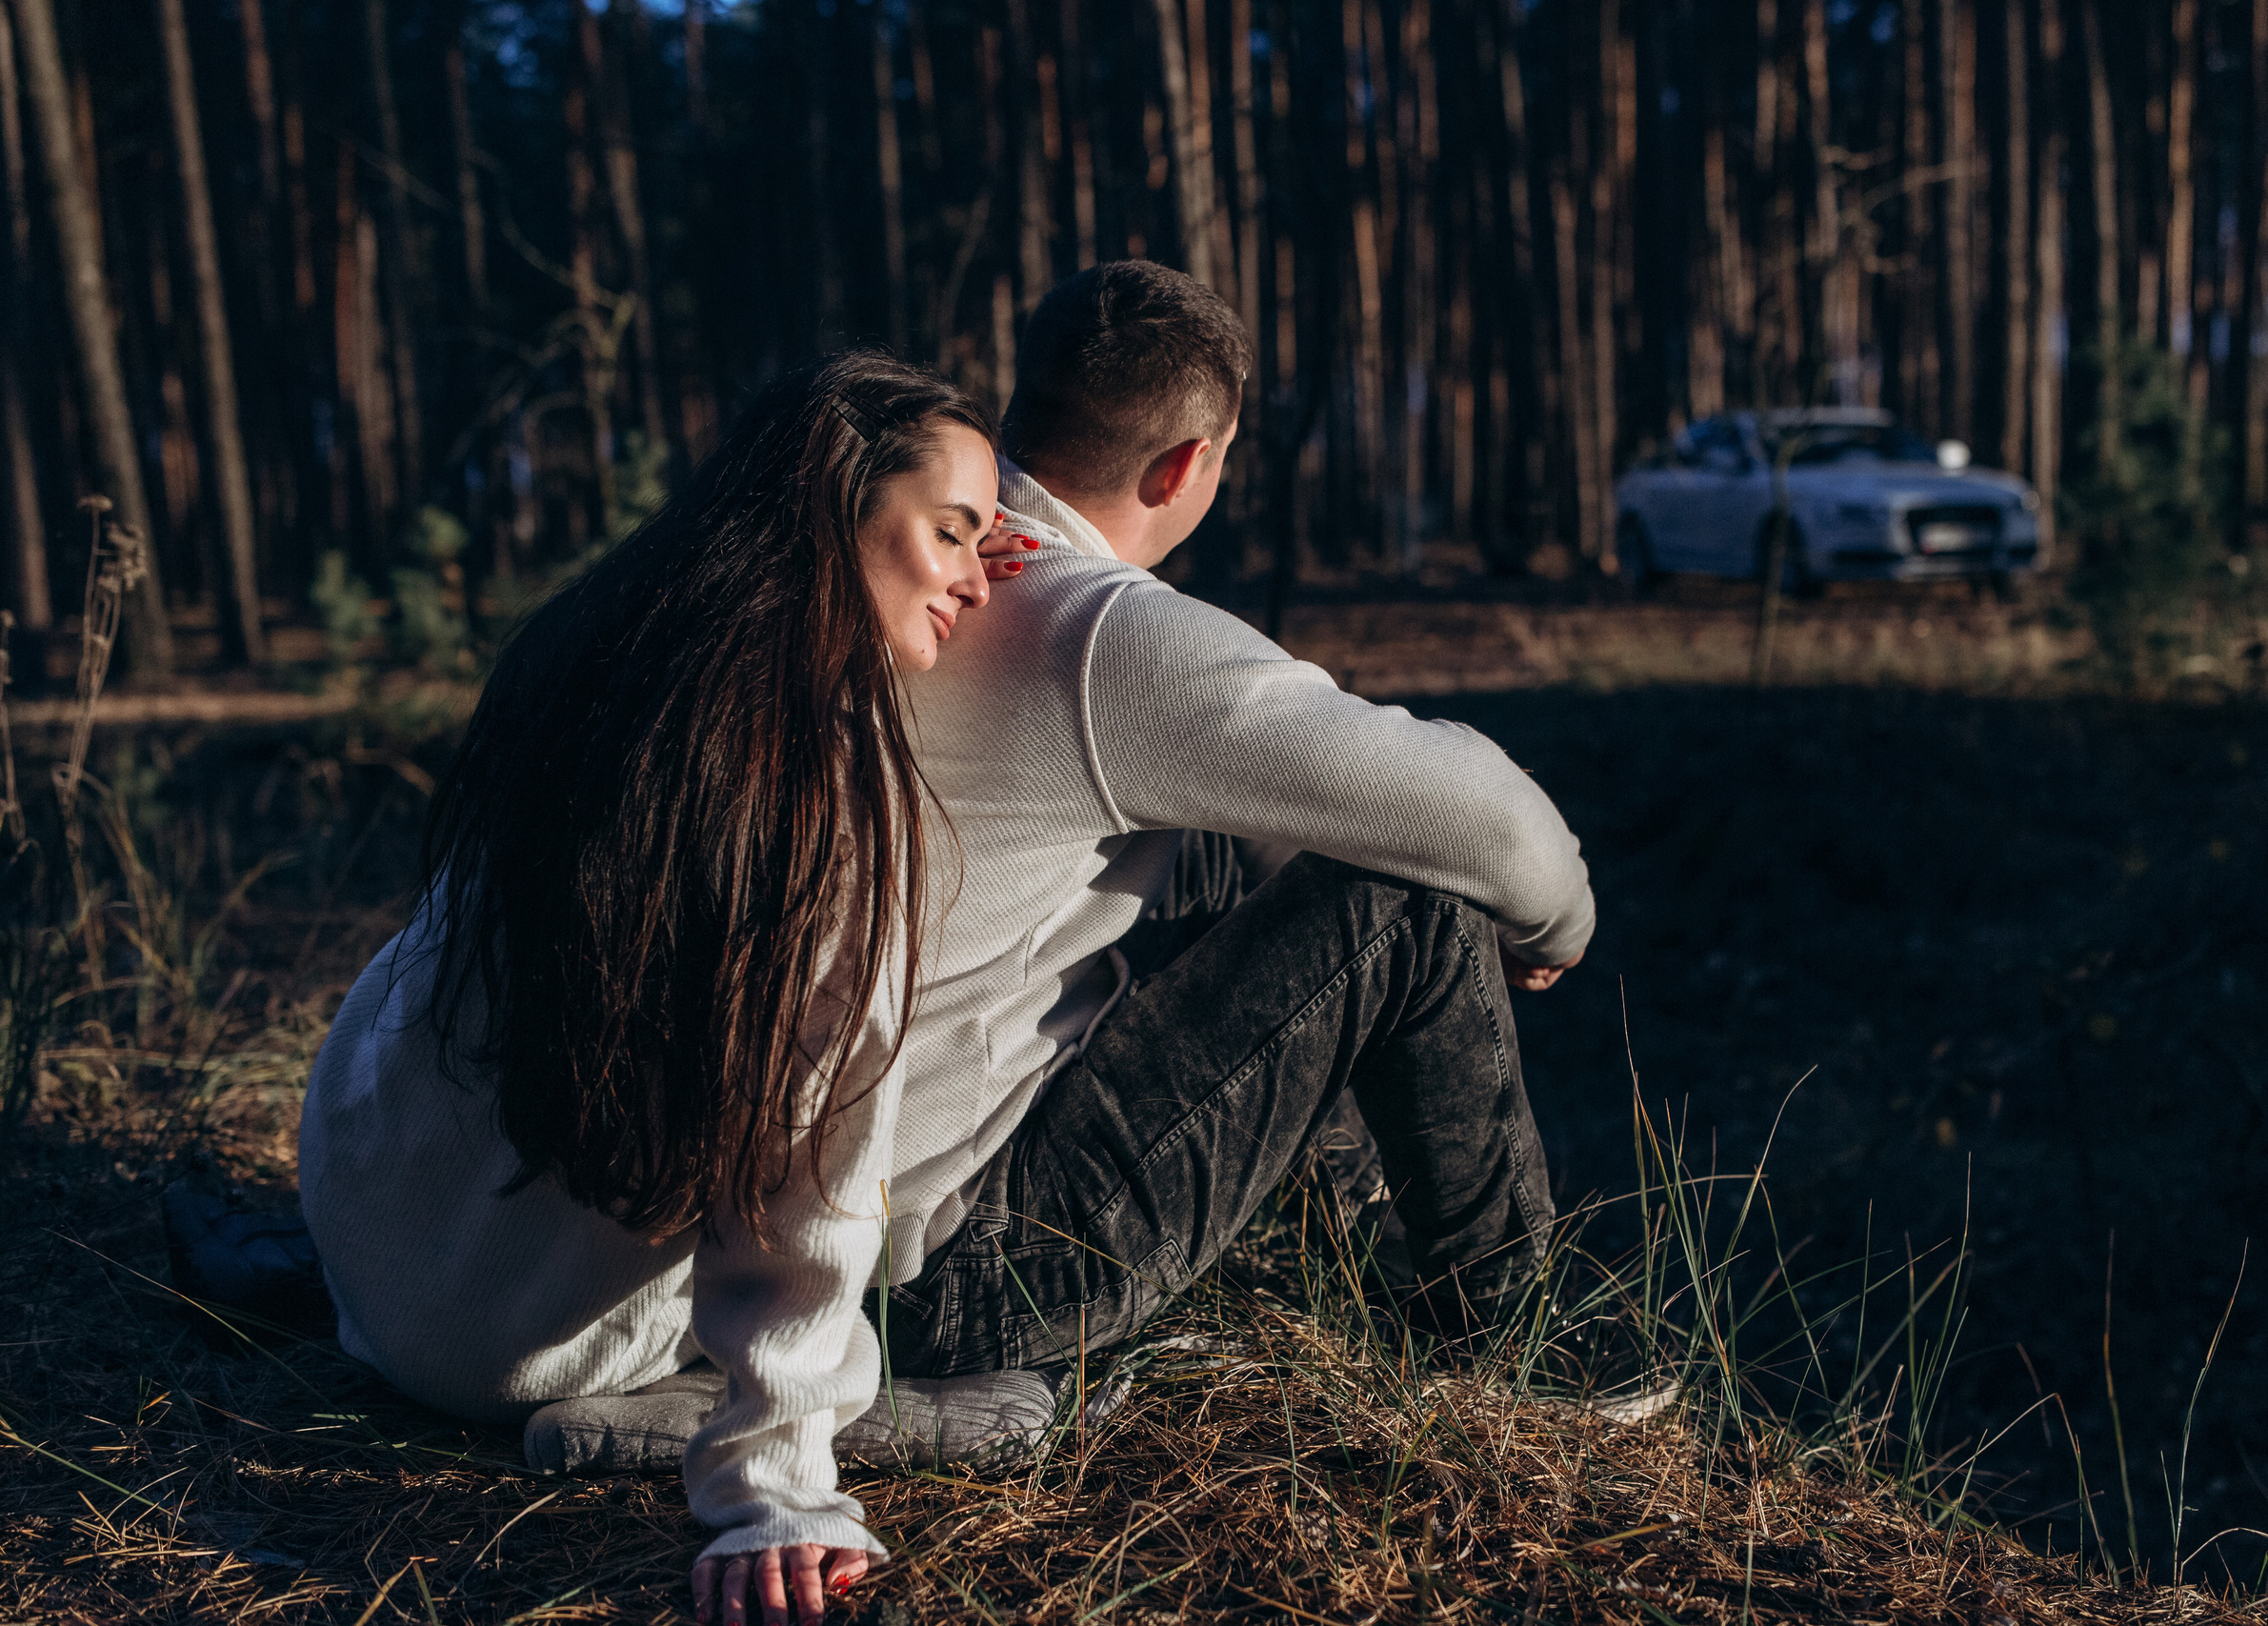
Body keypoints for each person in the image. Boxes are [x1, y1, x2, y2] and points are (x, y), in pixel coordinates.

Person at [295, 352, 1008, 1624]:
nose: (975, 578)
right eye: (953, 534)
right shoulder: (828, 793)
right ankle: (709, 1412)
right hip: (510, 1349)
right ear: (831, 502)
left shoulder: (599, 649)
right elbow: (818, 1172)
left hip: (364, 1227)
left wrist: (957, 537)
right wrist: (774, 1485)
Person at [872, 249, 1596, 1440]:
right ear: (1184, 465)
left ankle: (1335, 1244)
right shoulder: (1096, 628)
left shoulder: (913, 564)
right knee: (1408, 904)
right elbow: (1478, 808)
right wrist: (1556, 923)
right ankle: (1518, 1345)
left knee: (1219, 847)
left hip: (828, 1212)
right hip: (965, 1279)